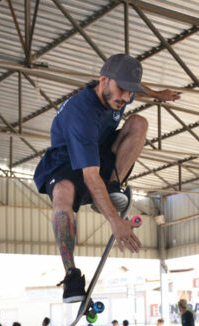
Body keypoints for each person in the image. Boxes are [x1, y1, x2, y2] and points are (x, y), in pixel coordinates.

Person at [32, 54, 180, 304]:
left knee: (139, 123)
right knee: (62, 196)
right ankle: (70, 274)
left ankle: (112, 185)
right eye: (121, 91)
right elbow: (89, 175)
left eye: (128, 93)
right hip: (65, 160)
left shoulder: (122, 92)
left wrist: (157, 94)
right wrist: (114, 220)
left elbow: (135, 89)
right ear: (103, 81)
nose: (125, 99)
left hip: (99, 150)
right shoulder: (82, 113)